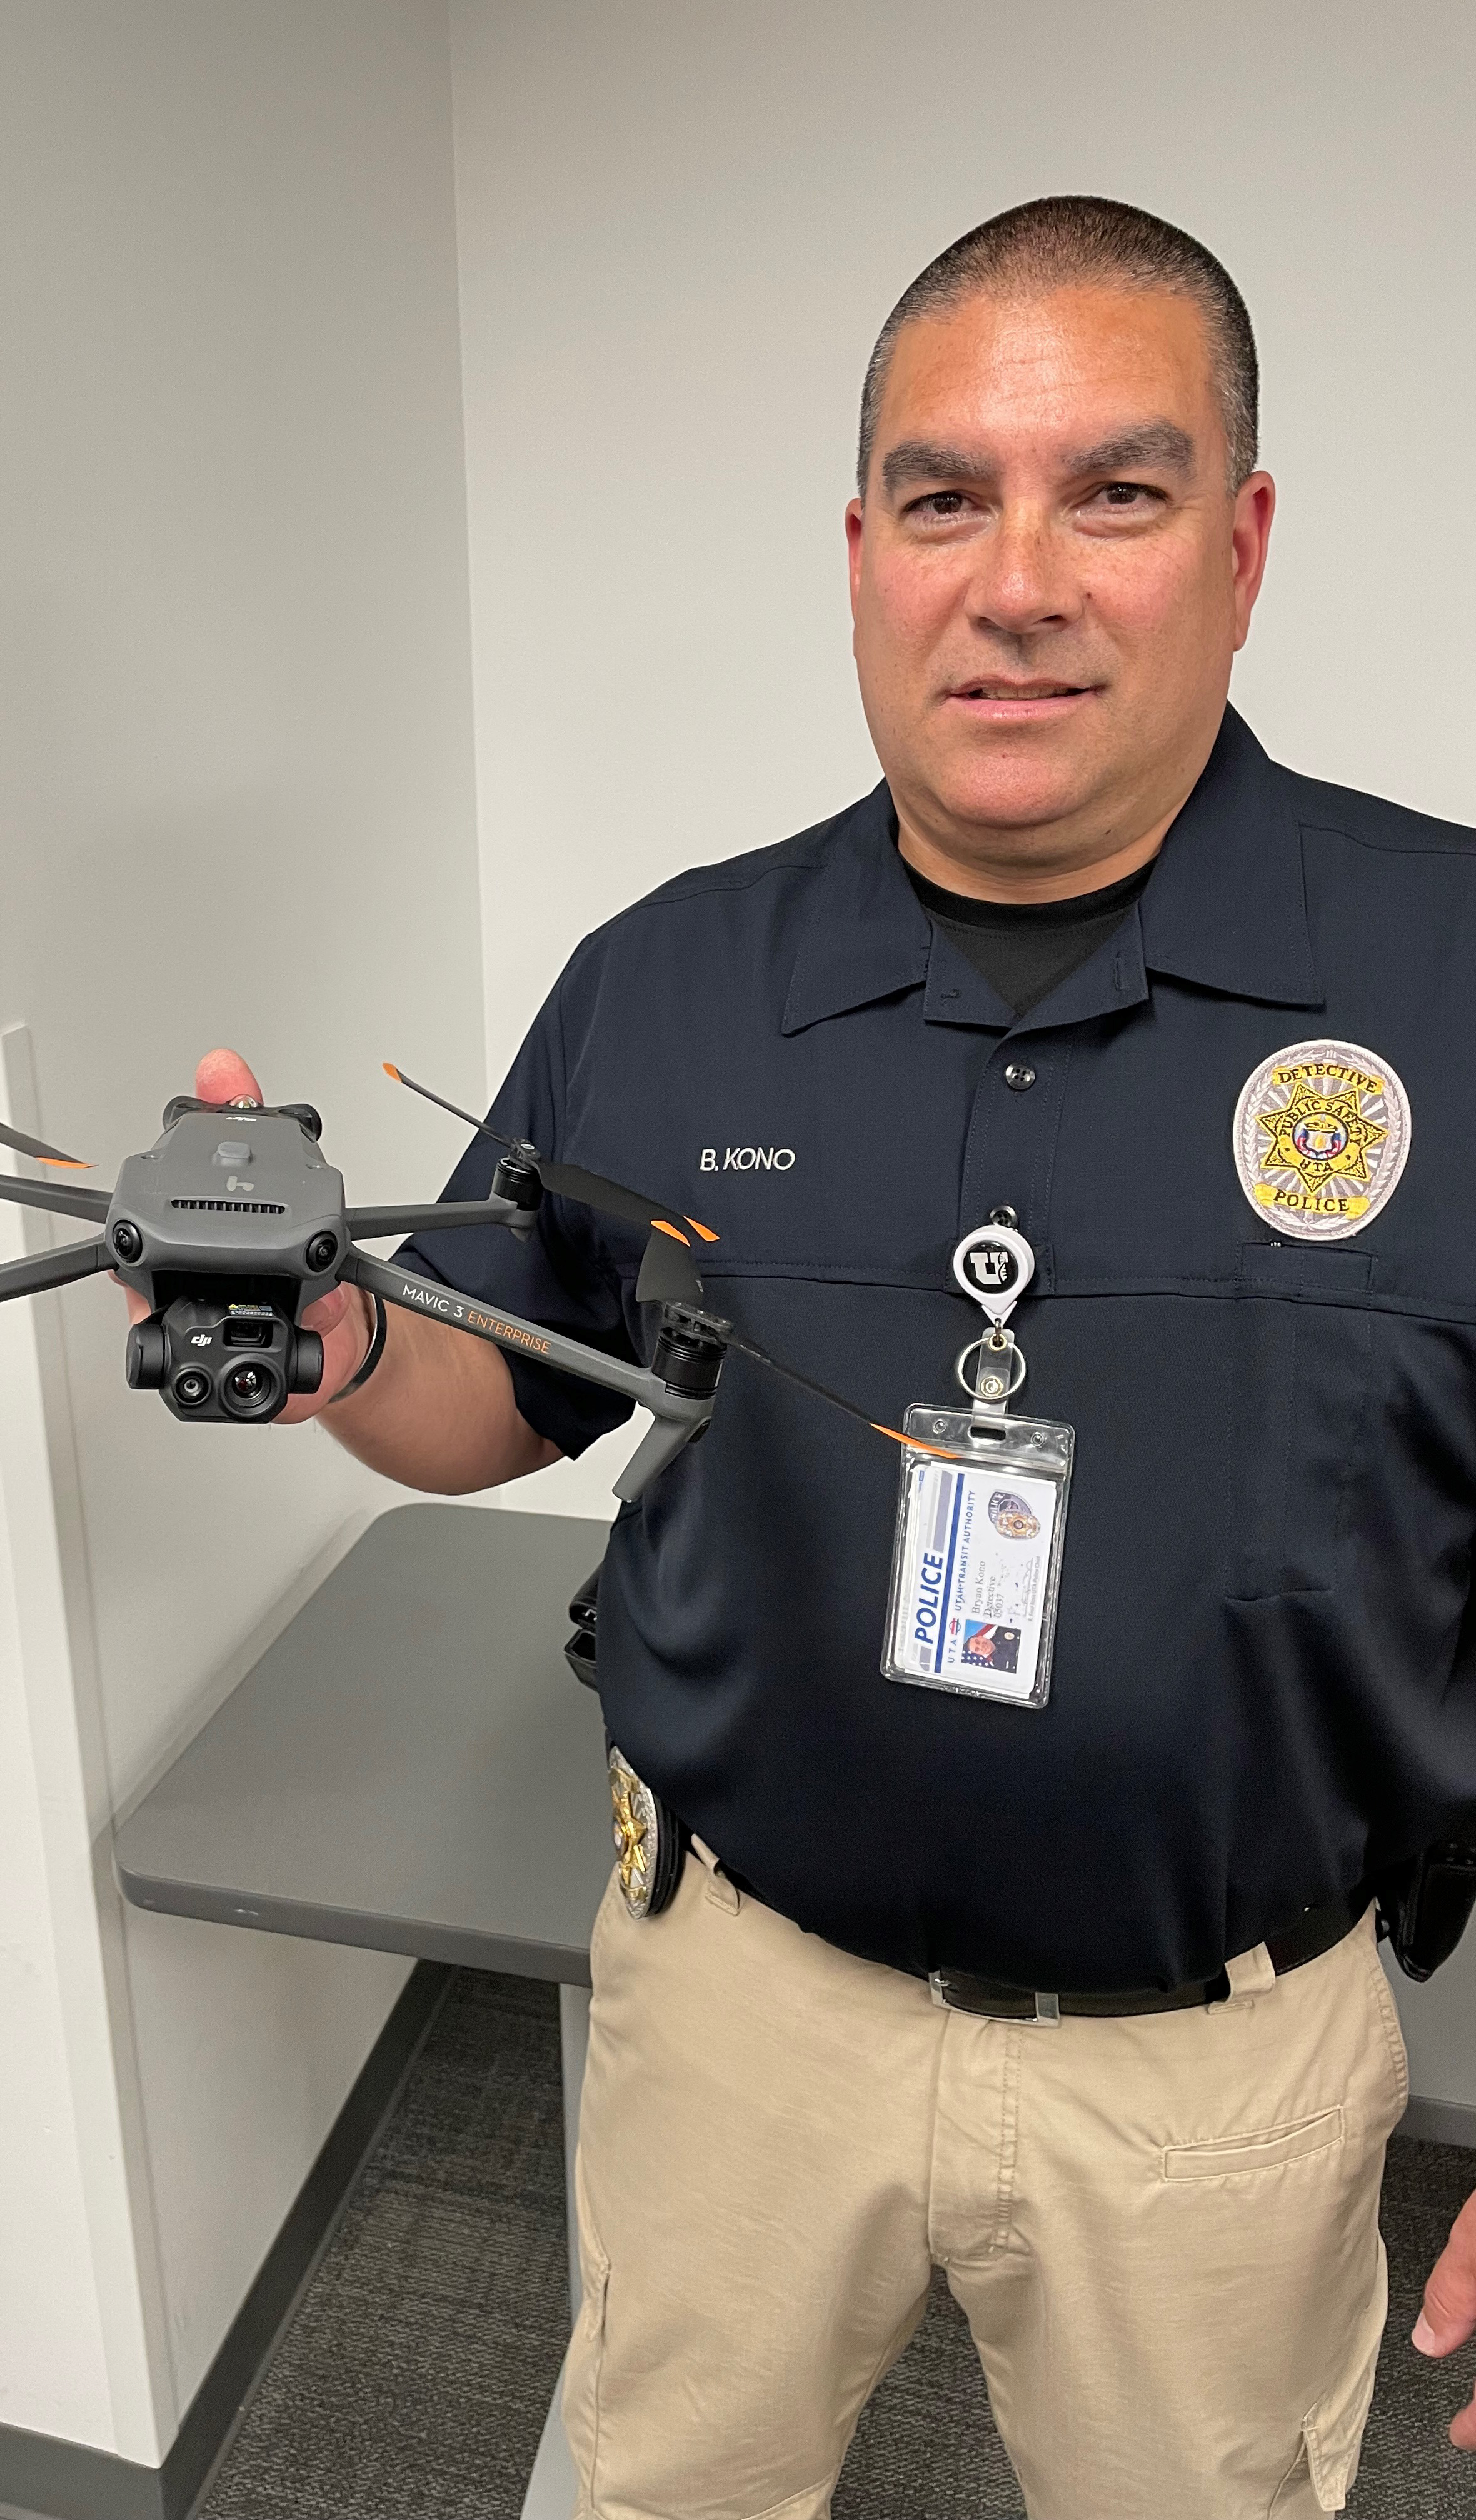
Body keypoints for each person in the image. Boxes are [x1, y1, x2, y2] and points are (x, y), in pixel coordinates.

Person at [169, 198, 1476, 2517]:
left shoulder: (1452, 978)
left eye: (1118, 492)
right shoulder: (666, 980)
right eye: (945, 498)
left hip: (1222, 2073)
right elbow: (499, 1393)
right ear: (864, 552)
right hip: (737, 2010)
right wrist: (336, 1344)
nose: (1019, 582)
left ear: (1244, 544)